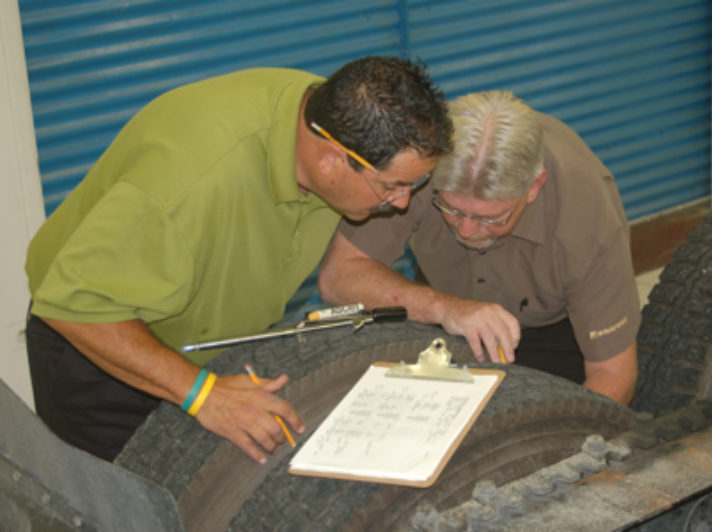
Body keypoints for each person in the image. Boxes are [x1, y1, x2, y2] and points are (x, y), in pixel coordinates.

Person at [25, 56, 453, 462]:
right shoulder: (188, 185)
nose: (400, 204)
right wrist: (203, 394)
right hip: (103, 348)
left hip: (211, 344)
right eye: (392, 187)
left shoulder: (334, 118)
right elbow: (74, 304)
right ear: (330, 162)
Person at [318, 90, 640, 405]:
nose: (467, 231)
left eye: (491, 218)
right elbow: (338, 277)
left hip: (551, 333)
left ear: (533, 188)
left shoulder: (584, 219)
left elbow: (613, 373)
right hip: (443, 312)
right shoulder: (414, 174)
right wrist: (444, 308)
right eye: (451, 209)